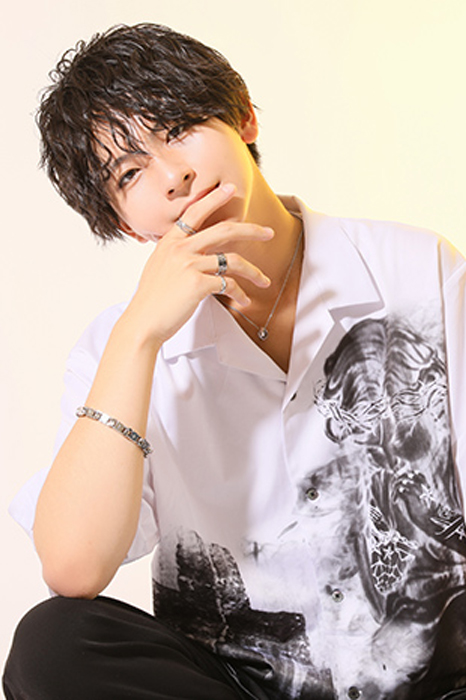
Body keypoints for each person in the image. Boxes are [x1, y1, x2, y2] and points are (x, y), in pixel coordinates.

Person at [3, 22, 466, 700]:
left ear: (243, 116)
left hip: (435, 678)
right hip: (239, 686)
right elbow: (73, 568)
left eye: (179, 128)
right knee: (52, 644)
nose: (174, 177)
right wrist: (139, 335)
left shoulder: (415, 270)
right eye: (130, 173)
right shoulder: (121, 348)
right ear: (125, 220)